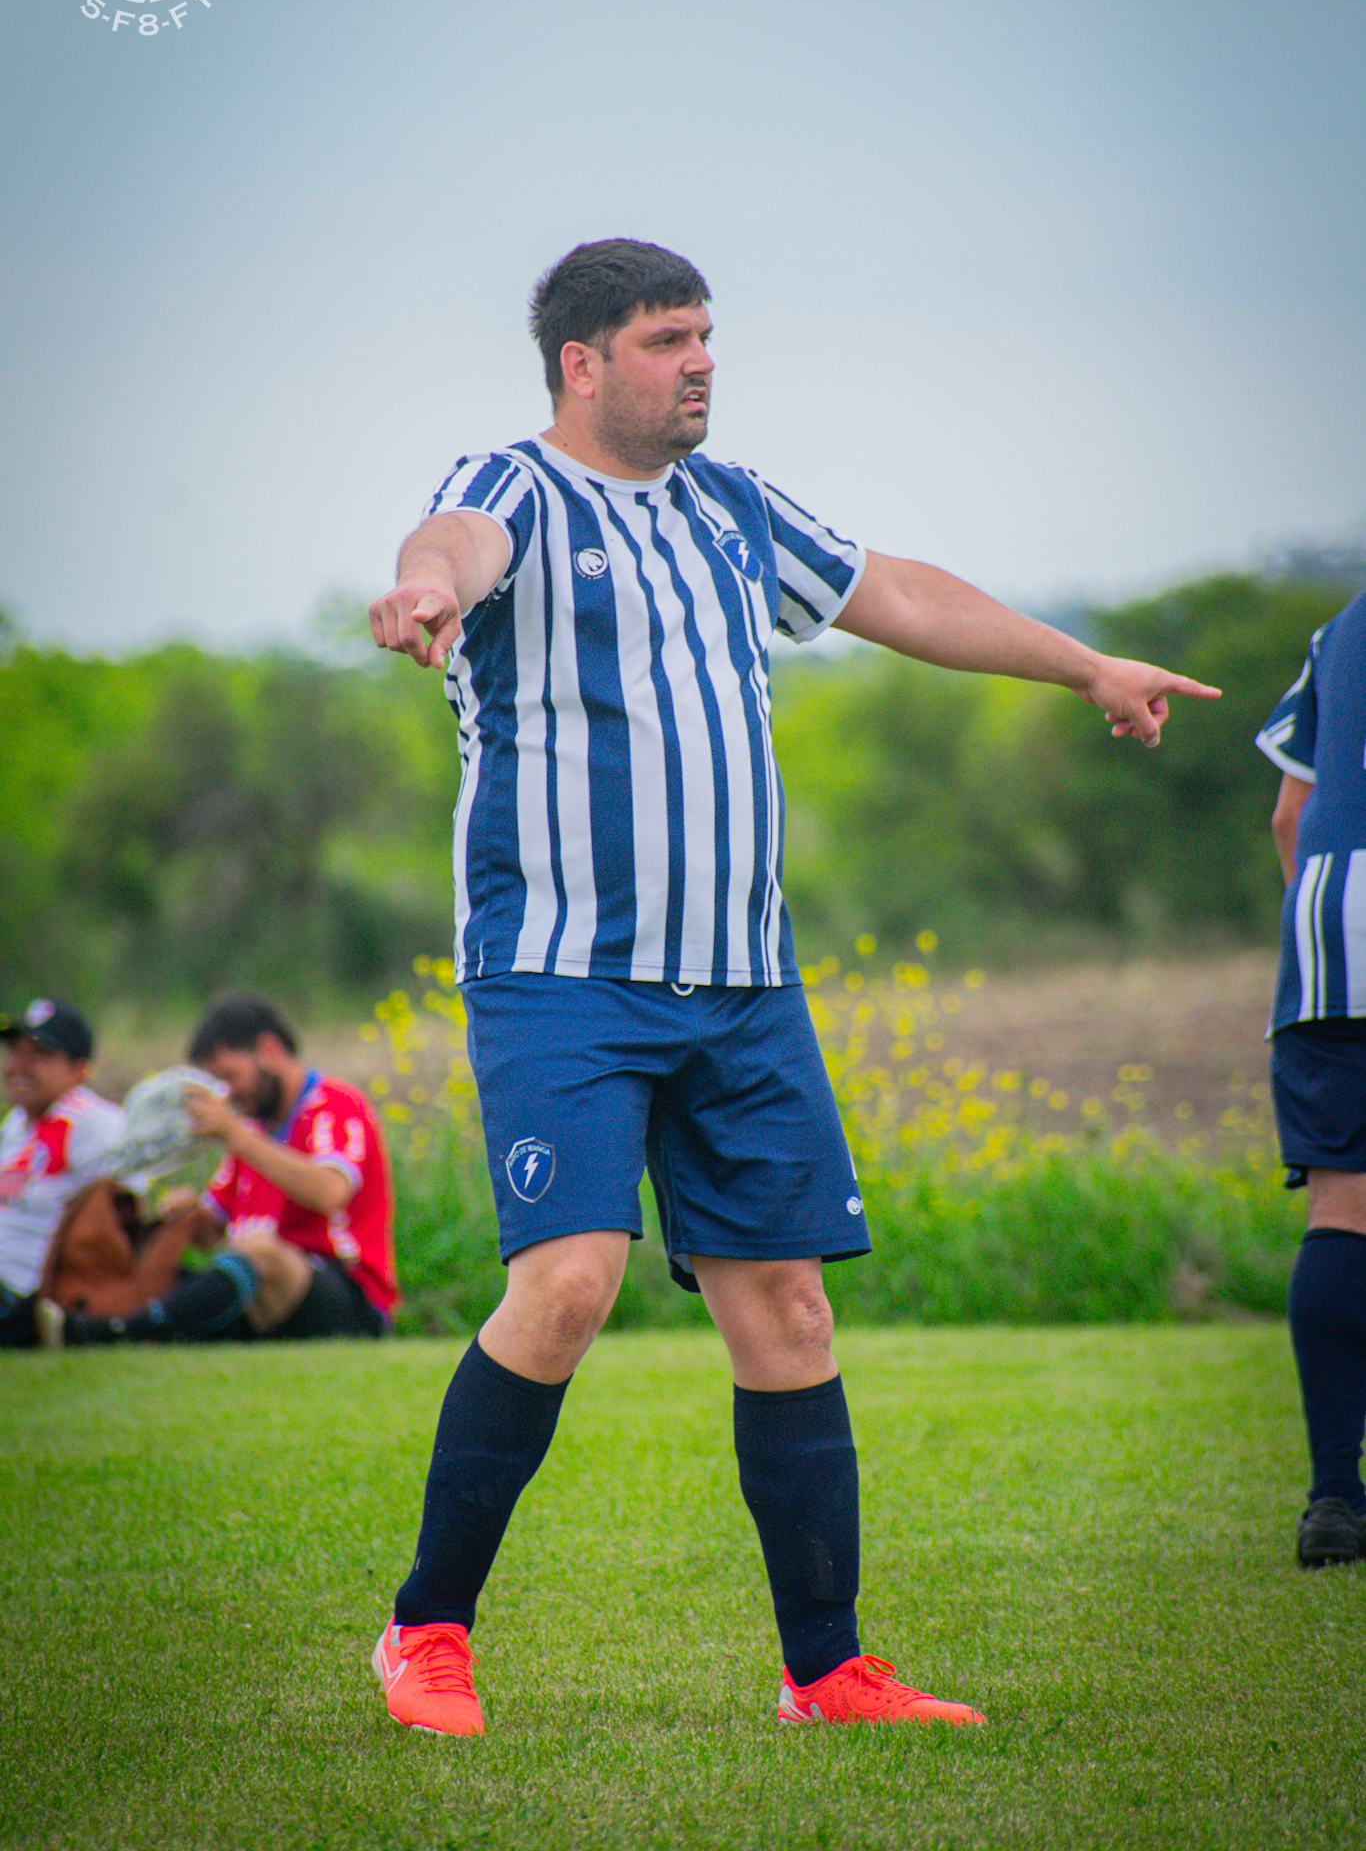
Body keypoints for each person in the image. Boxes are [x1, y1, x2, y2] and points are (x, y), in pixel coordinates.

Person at [366, 237, 1221, 1737]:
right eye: (665, 339)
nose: (700, 360)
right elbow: (455, 542)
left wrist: (1084, 663)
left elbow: (898, 592)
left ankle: (824, 1673)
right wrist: (420, 588)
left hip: (745, 985)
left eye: (706, 334)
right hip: (563, 976)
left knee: (790, 1313)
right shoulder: (515, 487)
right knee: (566, 1285)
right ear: (581, 363)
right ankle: (425, 1631)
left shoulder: (734, 507)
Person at [39, 993, 398, 1346]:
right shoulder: (252, 1130)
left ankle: (117, 1332)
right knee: (175, 1271)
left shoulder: (334, 1104)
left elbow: (330, 1193)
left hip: (349, 1297)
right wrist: (188, 1215)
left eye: (230, 1076)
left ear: (270, 1051)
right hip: (268, 1295)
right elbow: (214, 1233)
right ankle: (66, 1319)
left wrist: (236, 1136)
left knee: (258, 1252)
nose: (227, 1095)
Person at [1256, 591, 1366, 1566]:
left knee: (1341, 1207)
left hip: (1330, 927)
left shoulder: (1342, 630)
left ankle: (1335, 1497)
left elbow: (1290, 813)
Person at [0, 998, 127, 1346]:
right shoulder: (17, 1123)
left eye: (40, 1054)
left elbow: (125, 1215)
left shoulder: (92, 1122)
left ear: (78, 1070)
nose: (20, 1065)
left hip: (29, 1296)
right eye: (15, 1051)